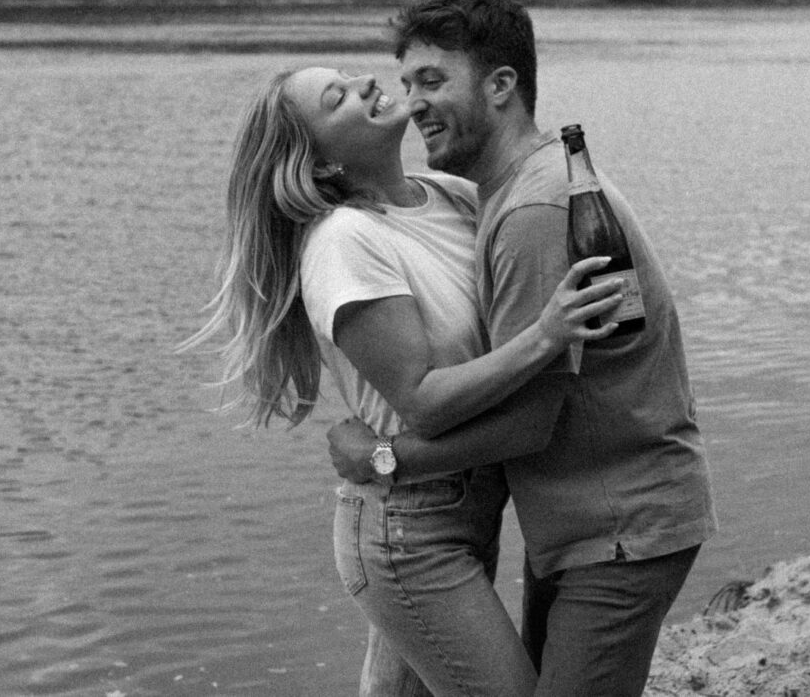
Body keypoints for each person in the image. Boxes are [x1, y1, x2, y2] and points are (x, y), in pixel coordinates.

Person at [182, 63, 625, 697]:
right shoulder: (346, 242)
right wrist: (547, 336)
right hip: (408, 529)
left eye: (348, 76)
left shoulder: (446, 195)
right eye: (338, 98)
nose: (365, 83)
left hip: (471, 503)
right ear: (319, 165)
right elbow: (422, 402)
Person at [328, 0, 718, 697]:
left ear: (502, 85)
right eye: (408, 82)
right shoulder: (509, 190)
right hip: (590, 518)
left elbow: (530, 420)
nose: (413, 103)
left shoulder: (535, 208)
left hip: (621, 523)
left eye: (435, 80)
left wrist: (383, 459)